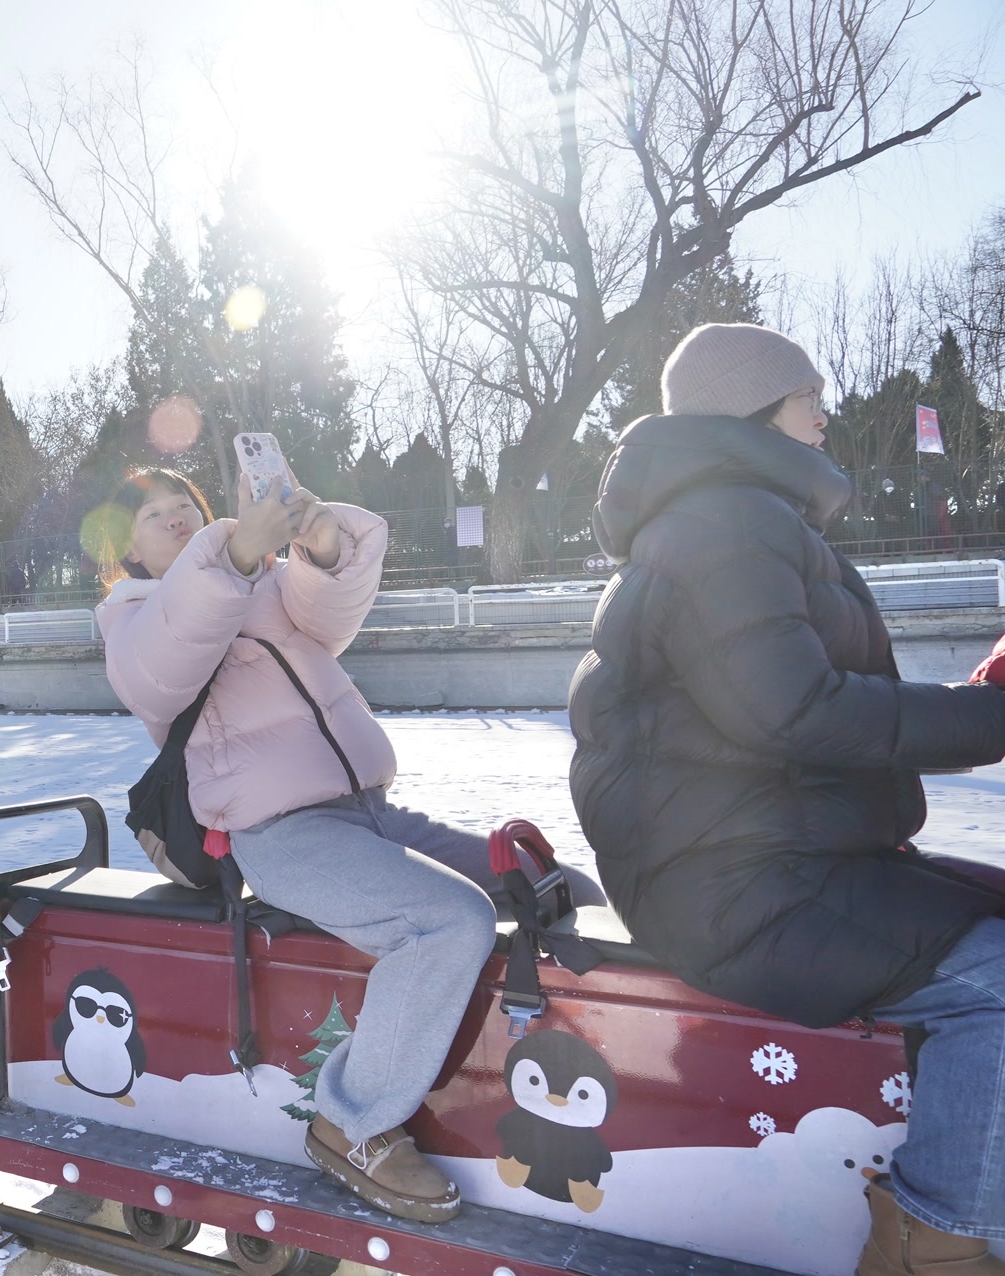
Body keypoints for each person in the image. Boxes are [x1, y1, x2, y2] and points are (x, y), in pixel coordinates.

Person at [569, 323, 1005, 1274]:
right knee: (1000, 988)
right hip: (739, 889)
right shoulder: (725, 523)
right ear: (755, 409)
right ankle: (936, 1243)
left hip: (772, 860)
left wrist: (977, 704)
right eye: (811, 396)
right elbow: (794, 710)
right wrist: (988, 720)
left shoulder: (736, 516)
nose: (825, 415)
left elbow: (788, 704)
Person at [95, 466, 529, 1225]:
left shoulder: (265, 585)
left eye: (183, 505)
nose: (174, 518)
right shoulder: (131, 617)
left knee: (544, 884)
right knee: (448, 921)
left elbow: (330, 620)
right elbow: (162, 670)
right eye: (152, 515)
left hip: (371, 811)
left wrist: (322, 547)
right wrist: (233, 558)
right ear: (128, 551)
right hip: (280, 833)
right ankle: (350, 1123)